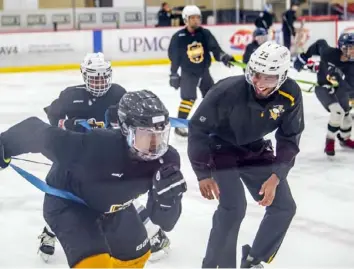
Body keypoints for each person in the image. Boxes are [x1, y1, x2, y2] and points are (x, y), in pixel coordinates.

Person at [0, 90, 186, 268]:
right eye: (147, 136)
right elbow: (36, 131)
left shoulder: (167, 161)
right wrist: (4, 145)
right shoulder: (97, 147)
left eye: (160, 136)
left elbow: (165, 223)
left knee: (137, 258)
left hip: (115, 207)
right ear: (126, 130)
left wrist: (168, 201)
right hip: (69, 204)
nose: (155, 146)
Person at [38, 53, 172, 263]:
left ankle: (151, 233)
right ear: (84, 75)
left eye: (103, 77)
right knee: (63, 195)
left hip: (108, 155)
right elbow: (53, 118)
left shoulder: (119, 93)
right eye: (94, 77)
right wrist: (68, 125)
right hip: (75, 155)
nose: (100, 82)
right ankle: (49, 232)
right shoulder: (70, 95)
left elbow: (130, 120)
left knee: (122, 197)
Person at [188, 41, 303, 268]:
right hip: (221, 149)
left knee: (284, 207)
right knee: (233, 207)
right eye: (254, 74)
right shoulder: (226, 91)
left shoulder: (290, 94)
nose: (258, 83)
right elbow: (198, 129)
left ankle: (253, 260)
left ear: (282, 76)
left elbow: (290, 137)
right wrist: (203, 173)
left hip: (255, 149)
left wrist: (277, 176)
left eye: (268, 77)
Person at [168, 5, 235, 137]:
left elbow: (215, 49)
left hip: (204, 72)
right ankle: (179, 126)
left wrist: (223, 56)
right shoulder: (179, 37)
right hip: (188, 72)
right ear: (185, 19)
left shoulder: (205, 33)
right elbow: (174, 57)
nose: (196, 20)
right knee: (188, 99)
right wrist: (174, 73)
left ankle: (213, 124)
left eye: (198, 17)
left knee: (212, 97)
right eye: (192, 18)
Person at [294, 33, 354, 156]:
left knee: (347, 117)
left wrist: (339, 81)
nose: (353, 51)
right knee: (337, 112)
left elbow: (349, 87)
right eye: (351, 47)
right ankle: (330, 140)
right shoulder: (329, 53)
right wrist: (303, 57)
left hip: (340, 90)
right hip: (323, 88)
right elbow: (320, 42)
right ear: (342, 48)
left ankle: (344, 138)